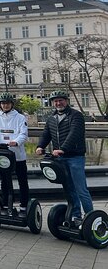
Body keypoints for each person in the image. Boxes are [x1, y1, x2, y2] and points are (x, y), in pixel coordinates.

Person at [36, 90, 93, 222]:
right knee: (69, 189)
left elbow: (74, 134)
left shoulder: (76, 116)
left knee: (81, 189)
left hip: (75, 157)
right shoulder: (52, 118)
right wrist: (40, 146)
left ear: (66, 101)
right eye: (55, 101)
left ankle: (91, 217)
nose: (58, 103)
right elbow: (46, 134)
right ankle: (76, 215)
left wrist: (62, 149)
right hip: (60, 159)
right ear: (52, 103)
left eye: (61, 100)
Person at [0, 92, 29, 211]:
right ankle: (6, 203)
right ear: (0, 105)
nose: (5, 106)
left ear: (12, 104)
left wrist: (16, 142)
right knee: (5, 180)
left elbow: (23, 134)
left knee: (22, 180)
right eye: (3, 103)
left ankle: (24, 205)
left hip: (17, 155)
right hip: (2, 154)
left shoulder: (20, 118)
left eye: (7, 103)